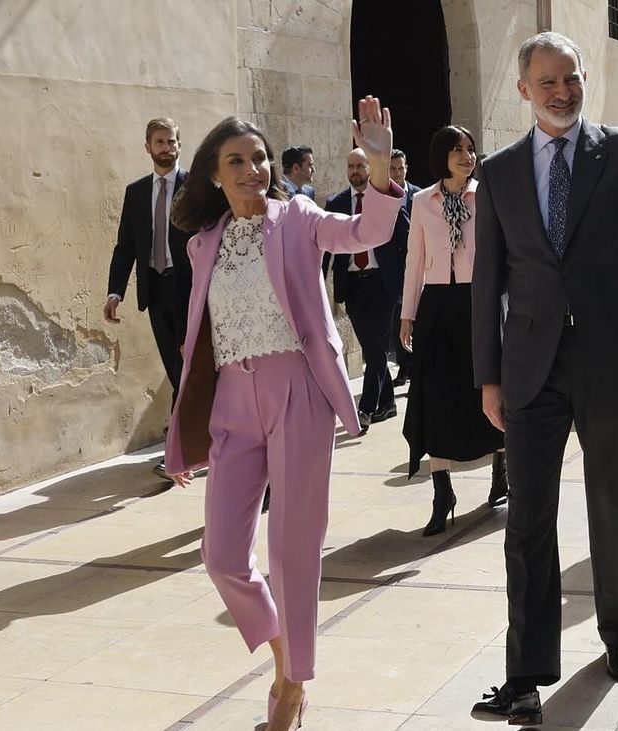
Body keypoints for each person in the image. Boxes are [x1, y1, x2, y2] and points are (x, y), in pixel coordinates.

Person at [469, 34, 618, 726]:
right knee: (528, 523)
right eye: (546, 80)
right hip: (531, 368)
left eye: (570, 77)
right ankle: (524, 675)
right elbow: (489, 282)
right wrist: (488, 376)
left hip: (610, 359)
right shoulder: (503, 170)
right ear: (524, 89)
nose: (561, 90)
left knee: (614, 506)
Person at [163, 100, 403, 731]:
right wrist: (181, 427)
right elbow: (198, 339)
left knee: (293, 550)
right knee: (222, 557)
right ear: (214, 174)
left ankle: (291, 689)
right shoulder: (202, 244)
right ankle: (284, 656)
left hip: (296, 390)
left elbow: (363, 234)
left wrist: (378, 175)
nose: (253, 170)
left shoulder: (296, 217)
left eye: (260, 158)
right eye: (236, 161)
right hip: (232, 404)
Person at [399, 126, 508, 535]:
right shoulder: (422, 202)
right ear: (441, 155)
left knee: (489, 389)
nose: (466, 156)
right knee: (435, 397)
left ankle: (502, 470)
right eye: (457, 150)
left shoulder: (489, 195)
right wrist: (407, 313)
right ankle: (442, 491)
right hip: (437, 307)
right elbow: (414, 259)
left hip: (481, 303)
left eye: (470, 149)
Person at [104, 117, 193, 481]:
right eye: (159, 142)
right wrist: (115, 291)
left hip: (189, 290)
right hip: (155, 292)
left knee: (186, 371)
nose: (166, 148)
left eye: (171, 142)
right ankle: (188, 447)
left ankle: (175, 453)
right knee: (177, 372)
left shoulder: (195, 188)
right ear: (148, 147)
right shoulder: (136, 192)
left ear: (178, 145)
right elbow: (125, 246)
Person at [327, 148, 411, 431]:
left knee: (376, 346)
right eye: (350, 166)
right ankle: (387, 403)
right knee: (371, 348)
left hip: (382, 282)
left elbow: (406, 240)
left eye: (360, 166)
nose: (354, 171)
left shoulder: (386, 201)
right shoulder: (336, 203)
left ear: (371, 169)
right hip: (352, 285)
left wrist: (411, 280)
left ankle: (365, 408)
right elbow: (326, 248)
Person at [390, 149, 421, 387]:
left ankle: (417, 366)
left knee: (417, 315)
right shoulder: (382, 196)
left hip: (419, 264)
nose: (398, 173)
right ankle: (403, 366)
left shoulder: (420, 196)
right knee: (399, 317)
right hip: (394, 266)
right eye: (393, 169)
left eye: (401, 168)